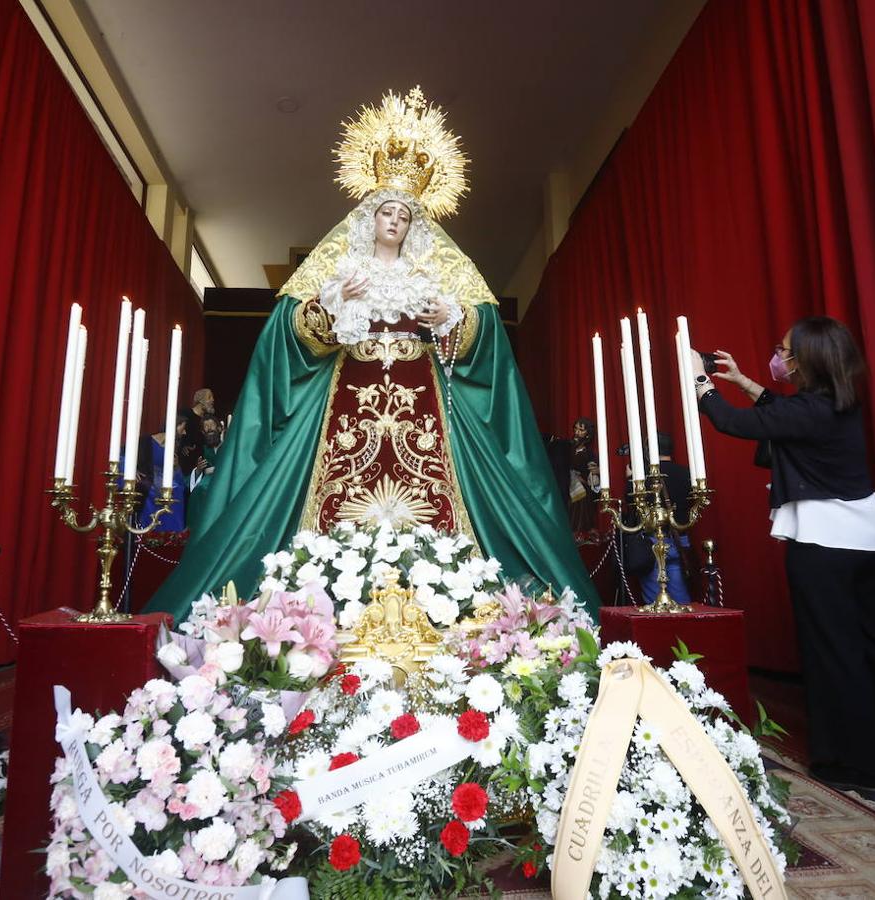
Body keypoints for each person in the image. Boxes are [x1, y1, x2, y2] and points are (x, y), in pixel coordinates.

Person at [147, 88, 598, 619]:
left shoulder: (436, 272)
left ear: (414, 226)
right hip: (346, 393)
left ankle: (451, 601)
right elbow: (287, 331)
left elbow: (483, 333)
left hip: (426, 398)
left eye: (404, 217)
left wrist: (453, 321)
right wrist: (334, 309)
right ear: (370, 217)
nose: (395, 222)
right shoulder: (341, 269)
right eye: (386, 212)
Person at [693, 316, 875, 803]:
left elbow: (738, 424)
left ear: (808, 358)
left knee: (834, 652)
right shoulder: (835, 402)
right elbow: (783, 417)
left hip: (824, 543)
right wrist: (746, 383)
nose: (781, 357)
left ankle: (853, 766)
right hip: (870, 538)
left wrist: (699, 382)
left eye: (786, 350)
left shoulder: (809, 410)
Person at [640, 432, 692, 605]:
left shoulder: (645, 476)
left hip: (653, 540)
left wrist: (629, 479)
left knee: (654, 597)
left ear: (649, 451)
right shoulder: (685, 472)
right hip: (679, 536)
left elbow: (633, 503)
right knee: (679, 592)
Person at [134, 414, 190, 533]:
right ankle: (149, 530)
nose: (184, 433)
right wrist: (134, 471)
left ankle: (172, 534)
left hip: (168, 481)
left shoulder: (175, 446)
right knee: (151, 490)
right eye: (183, 428)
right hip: (149, 479)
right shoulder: (146, 441)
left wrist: (176, 466)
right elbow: (128, 456)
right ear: (174, 426)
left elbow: (178, 475)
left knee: (178, 490)